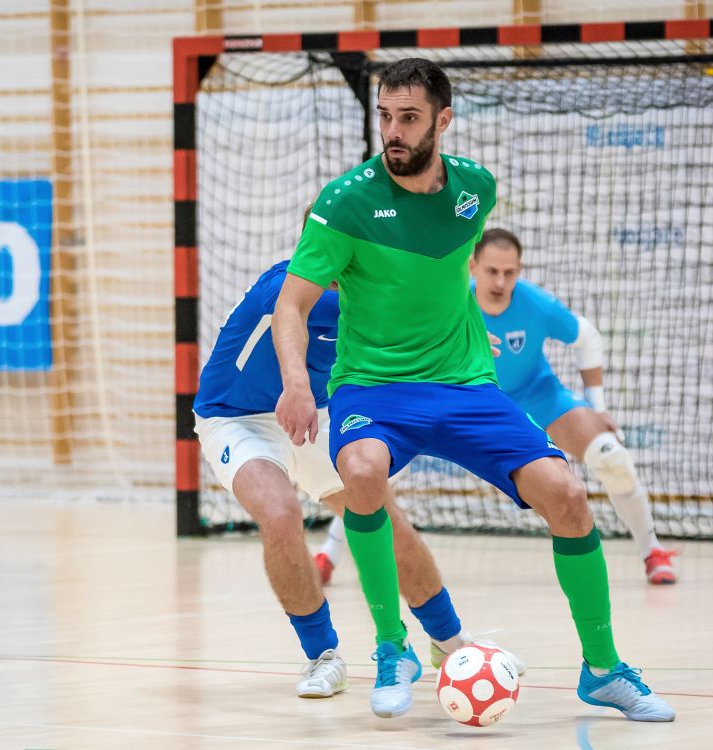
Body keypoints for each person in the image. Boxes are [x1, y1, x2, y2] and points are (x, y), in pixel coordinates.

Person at [272, 57, 674, 722]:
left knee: (569, 496)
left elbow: (446, 266)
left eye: (409, 118)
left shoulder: (476, 189)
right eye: (385, 116)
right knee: (362, 473)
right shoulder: (344, 202)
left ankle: (603, 670)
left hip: (465, 385)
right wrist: (294, 383)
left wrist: (461, 322)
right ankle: (393, 648)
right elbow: (291, 305)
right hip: (374, 385)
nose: (393, 131)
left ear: (443, 121)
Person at [193, 258, 523, 700]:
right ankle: (323, 655)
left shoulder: (367, 285)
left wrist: (458, 336)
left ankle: (450, 642)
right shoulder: (288, 290)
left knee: (386, 520)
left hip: (316, 410)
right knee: (280, 514)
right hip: (238, 417)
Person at [470, 228, 678, 584]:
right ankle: (361, 554)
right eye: (492, 271)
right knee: (388, 460)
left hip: (538, 397)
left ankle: (653, 551)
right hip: (476, 405)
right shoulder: (453, 304)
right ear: (473, 266)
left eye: (510, 272)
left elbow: (587, 336)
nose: (501, 282)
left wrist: (597, 406)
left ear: (520, 270)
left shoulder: (536, 304)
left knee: (612, 457)